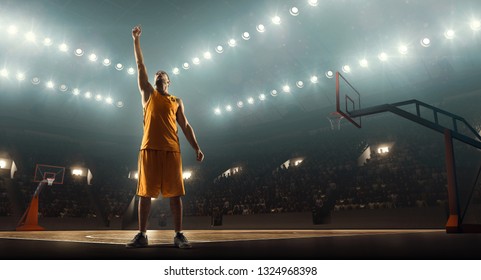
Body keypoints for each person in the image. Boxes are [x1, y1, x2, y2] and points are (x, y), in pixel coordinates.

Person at [127, 25, 204, 249]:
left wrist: (196, 147)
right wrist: (136, 41)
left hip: (172, 149)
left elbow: (186, 125)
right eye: (156, 74)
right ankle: (142, 234)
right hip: (149, 148)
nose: (158, 75)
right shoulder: (148, 94)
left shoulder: (176, 101)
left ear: (168, 81)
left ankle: (179, 234)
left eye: (163, 75)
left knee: (175, 195)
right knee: (144, 194)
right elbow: (140, 65)